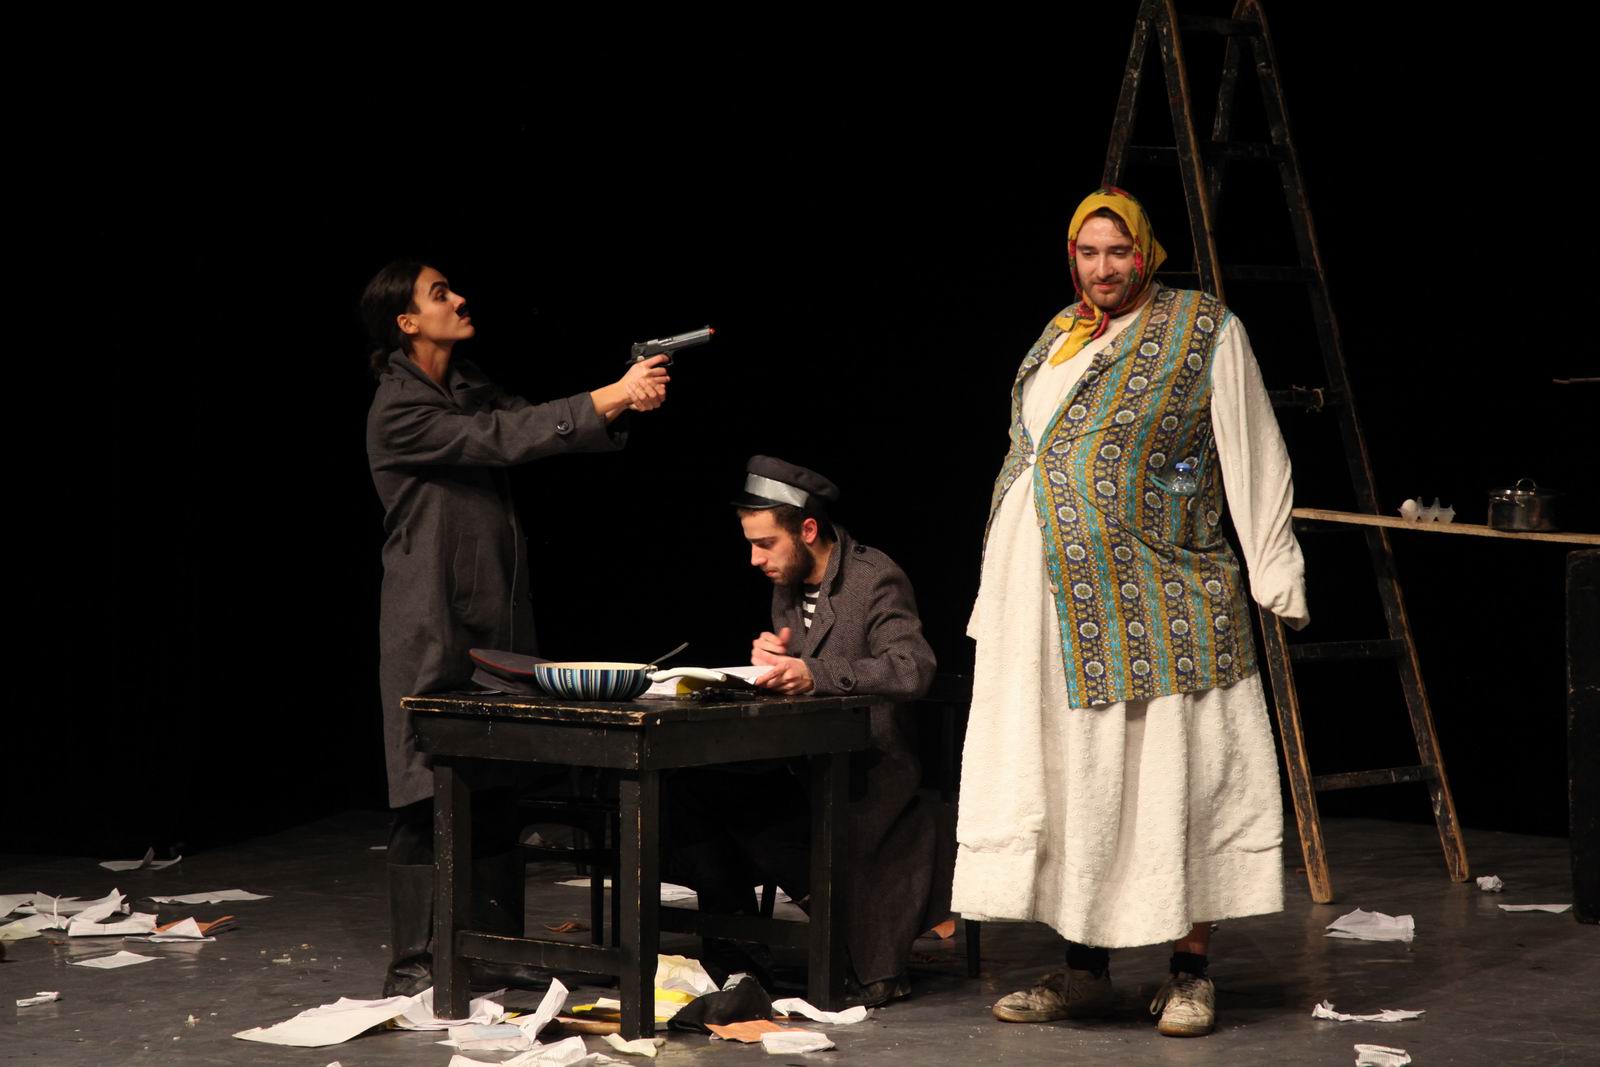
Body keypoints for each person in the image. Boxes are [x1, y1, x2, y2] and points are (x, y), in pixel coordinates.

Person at [952, 188, 1309, 1038]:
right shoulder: (1058, 334)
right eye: (1089, 252)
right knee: (1082, 784)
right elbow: (1029, 454)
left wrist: (1271, 564)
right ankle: (1086, 972)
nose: (1103, 268)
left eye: (1118, 252)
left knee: (1178, 782)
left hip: (1160, 598)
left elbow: (1251, 445)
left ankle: (1190, 971)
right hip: (1049, 612)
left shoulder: (1202, 328)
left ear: (1145, 252)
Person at [362, 259, 671, 995]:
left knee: (496, 779)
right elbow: (502, 437)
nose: (459, 298)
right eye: (440, 294)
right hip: (430, 622)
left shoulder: (468, 384)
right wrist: (612, 393)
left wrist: (623, 401)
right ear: (406, 321)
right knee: (425, 787)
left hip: (493, 618)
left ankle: (491, 949)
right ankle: (414, 965)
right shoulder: (398, 409)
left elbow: (539, 426)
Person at [663, 456, 946, 1005]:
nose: (755, 559)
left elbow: (912, 668)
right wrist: (773, 662)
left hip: (868, 770)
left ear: (808, 529)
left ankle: (847, 942)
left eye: (766, 544)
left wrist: (814, 673)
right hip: (805, 761)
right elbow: (803, 660)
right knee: (692, 785)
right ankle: (739, 958)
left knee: (753, 809)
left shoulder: (874, 577)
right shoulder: (788, 584)